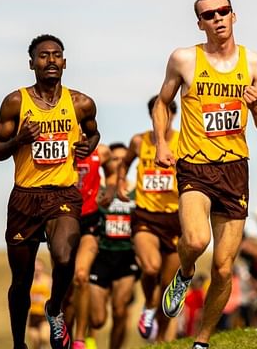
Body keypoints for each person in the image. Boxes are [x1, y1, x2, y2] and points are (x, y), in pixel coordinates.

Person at [153, 0, 257, 349]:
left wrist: (256, 108)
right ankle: (186, 271)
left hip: (235, 169)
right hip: (194, 165)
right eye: (209, 15)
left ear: (234, 16)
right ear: (200, 23)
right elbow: (162, 102)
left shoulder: (254, 64)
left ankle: (202, 341)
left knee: (223, 267)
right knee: (195, 240)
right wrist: (162, 142)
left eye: (223, 11)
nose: (218, 18)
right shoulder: (183, 60)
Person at [0, 34, 100, 349]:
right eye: (43, 56)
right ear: (31, 63)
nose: (50, 60)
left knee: (64, 257)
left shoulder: (80, 103)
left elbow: (93, 134)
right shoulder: (15, 102)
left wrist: (85, 147)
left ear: (64, 62)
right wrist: (18, 140)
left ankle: (54, 309)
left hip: (62, 194)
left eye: (56, 55)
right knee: (21, 281)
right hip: (25, 197)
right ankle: (18, 344)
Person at [107, 96, 182, 343]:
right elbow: (125, 162)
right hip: (146, 216)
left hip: (174, 218)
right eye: (155, 113)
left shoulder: (183, 141)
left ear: (173, 115)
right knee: (150, 267)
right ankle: (148, 304)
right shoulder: (139, 141)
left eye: (165, 113)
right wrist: (119, 181)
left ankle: (161, 337)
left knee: (168, 286)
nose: (160, 118)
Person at [87, 142, 141, 349]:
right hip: (100, 257)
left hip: (126, 257)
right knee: (98, 318)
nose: (118, 163)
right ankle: (87, 338)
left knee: (120, 310)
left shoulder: (137, 193)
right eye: (114, 159)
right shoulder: (98, 191)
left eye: (122, 159)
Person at [64, 143, 116, 349]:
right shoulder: (62, 148)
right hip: (63, 221)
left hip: (90, 222)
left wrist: (110, 191)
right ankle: (63, 339)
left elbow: (112, 173)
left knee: (81, 275)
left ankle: (80, 339)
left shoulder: (101, 152)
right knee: (65, 290)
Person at [28, 259, 52, 349]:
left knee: (44, 337)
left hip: (44, 315)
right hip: (32, 315)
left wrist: (44, 300)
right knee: (35, 341)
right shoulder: (28, 281)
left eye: (39, 266)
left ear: (42, 267)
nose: (37, 268)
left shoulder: (48, 280)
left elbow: (54, 297)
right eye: (35, 266)